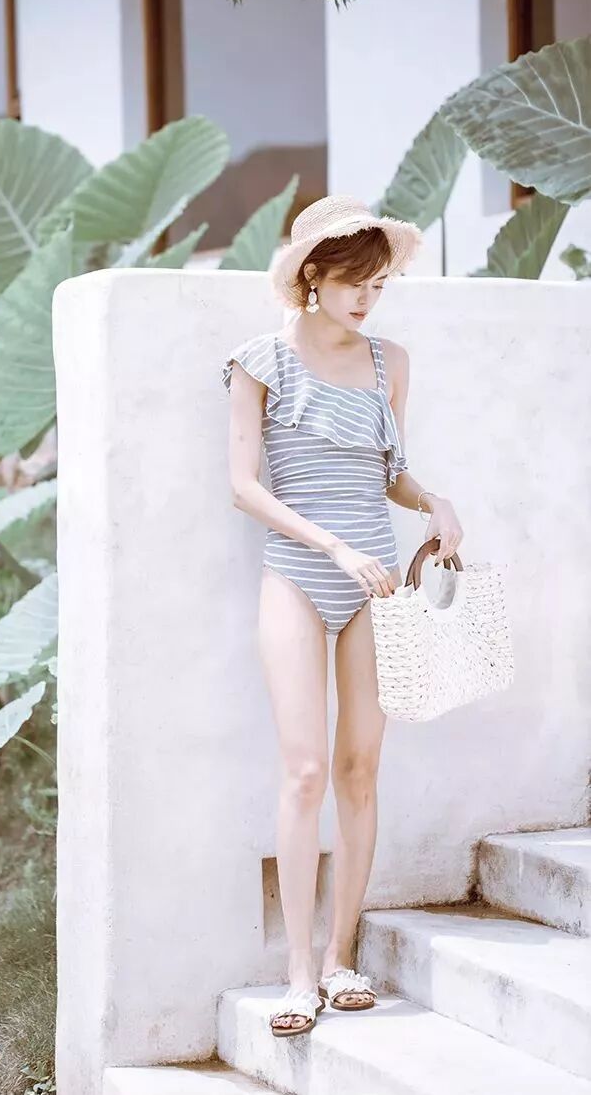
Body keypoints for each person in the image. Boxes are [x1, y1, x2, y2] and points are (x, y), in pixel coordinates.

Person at [221, 195, 464, 1037]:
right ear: (313, 276)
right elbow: (243, 486)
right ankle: (295, 972)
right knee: (304, 771)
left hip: (375, 587)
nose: (367, 297)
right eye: (354, 280)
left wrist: (434, 502)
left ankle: (339, 958)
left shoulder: (390, 361)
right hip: (299, 572)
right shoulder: (261, 360)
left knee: (359, 769)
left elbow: (389, 471)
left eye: (379, 283)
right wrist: (330, 546)